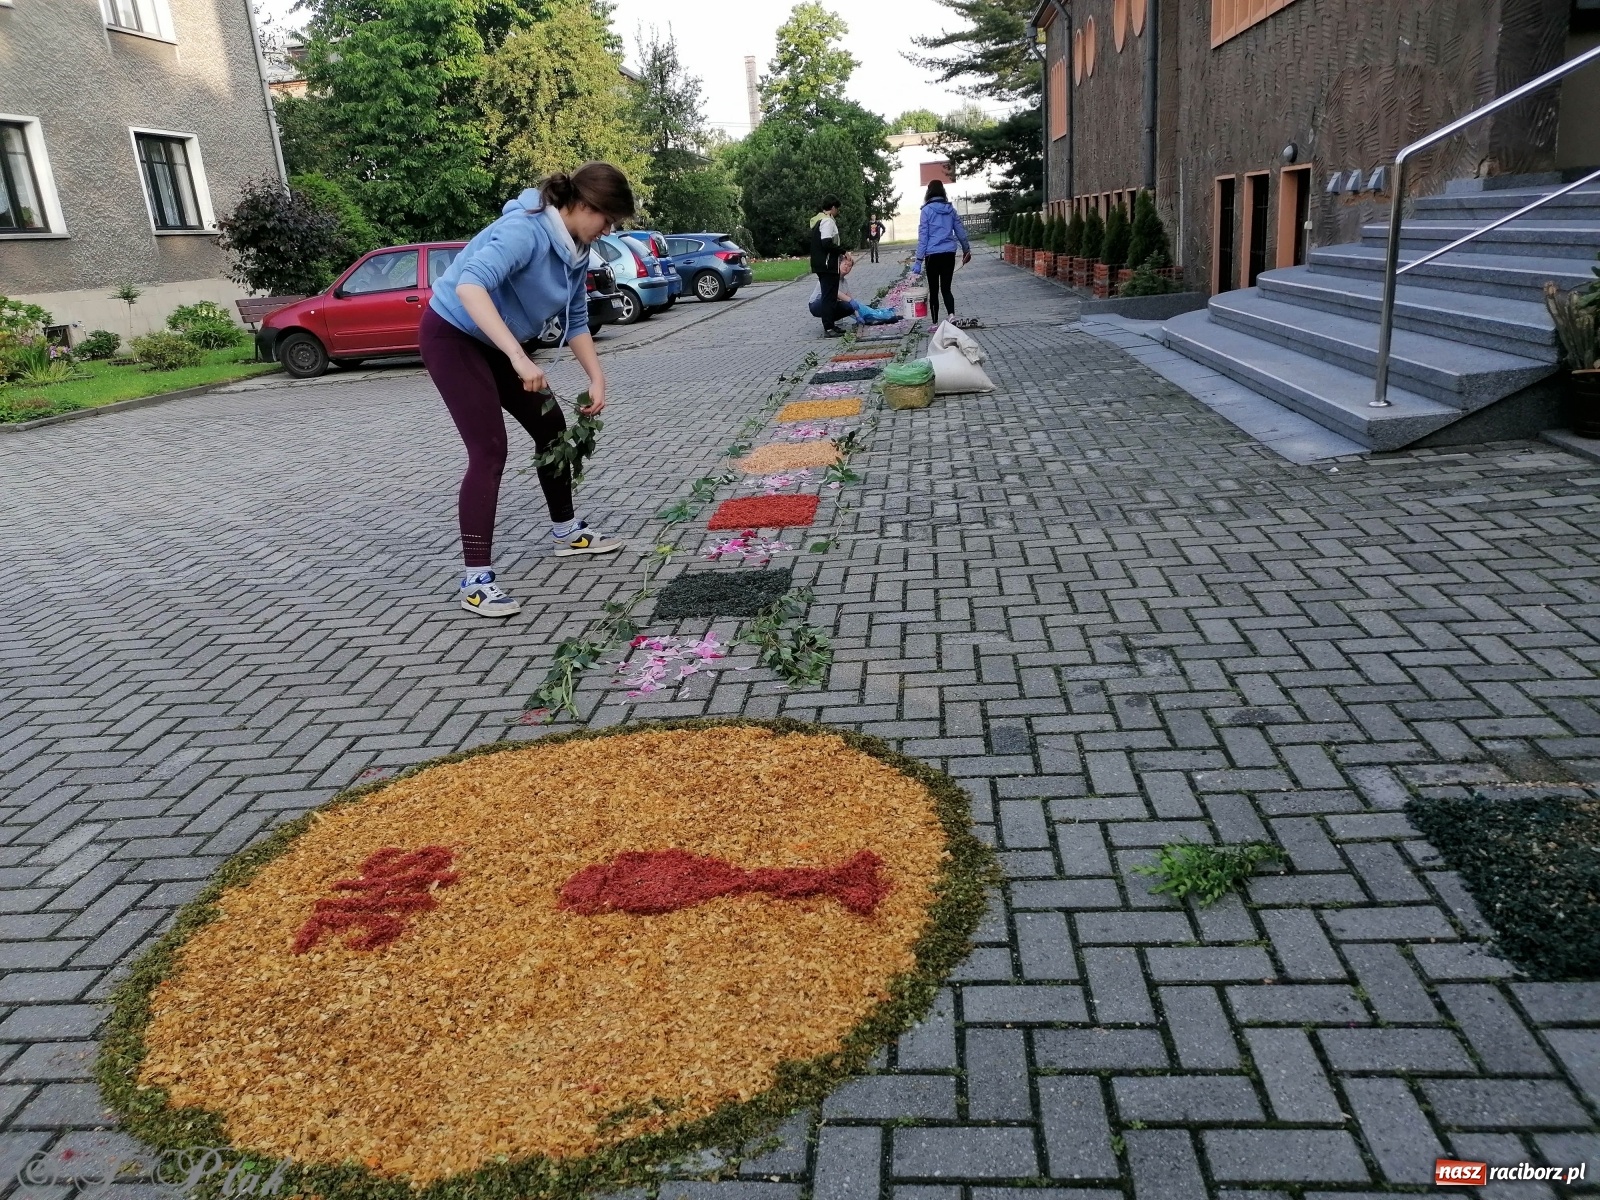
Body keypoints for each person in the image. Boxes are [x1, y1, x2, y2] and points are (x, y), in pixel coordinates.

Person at [423, 162, 635, 619]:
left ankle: (566, 533)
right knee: (489, 451)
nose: (609, 229)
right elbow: (470, 286)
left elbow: (576, 319)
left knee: (552, 428)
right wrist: (519, 358)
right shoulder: (526, 230)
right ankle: (476, 581)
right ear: (583, 205)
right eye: (608, 219)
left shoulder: (576, 250)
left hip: (497, 341)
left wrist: (596, 377)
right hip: (453, 336)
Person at [912, 180, 972, 325]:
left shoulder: (926, 211)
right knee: (946, 288)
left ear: (929, 192)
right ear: (943, 192)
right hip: (949, 254)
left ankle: (934, 323)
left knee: (934, 290)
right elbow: (960, 231)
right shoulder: (950, 210)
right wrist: (966, 249)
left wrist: (918, 261)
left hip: (932, 256)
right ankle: (951, 316)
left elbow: (923, 237)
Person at [808, 254, 898, 325]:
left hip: (829, 304)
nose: (846, 267)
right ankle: (829, 324)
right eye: (845, 264)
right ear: (839, 264)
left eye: (849, 266)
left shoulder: (844, 282)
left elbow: (852, 303)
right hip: (816, 304)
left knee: (849, 307)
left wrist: (858, 316)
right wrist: (850, 300)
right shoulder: (831, 276)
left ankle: (834, 320)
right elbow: (835, 292)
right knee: (839, 301)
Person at [809, 196, 845, 337]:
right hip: (827, 265)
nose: (838, 211)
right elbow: (826, 243)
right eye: (837, 209)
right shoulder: (827, 221)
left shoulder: (818, 220)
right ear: (833, 208)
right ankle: (828, 328)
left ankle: (831, 325)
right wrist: (842, 251)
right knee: (828, 296)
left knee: (829, 295)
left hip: (824, 264)